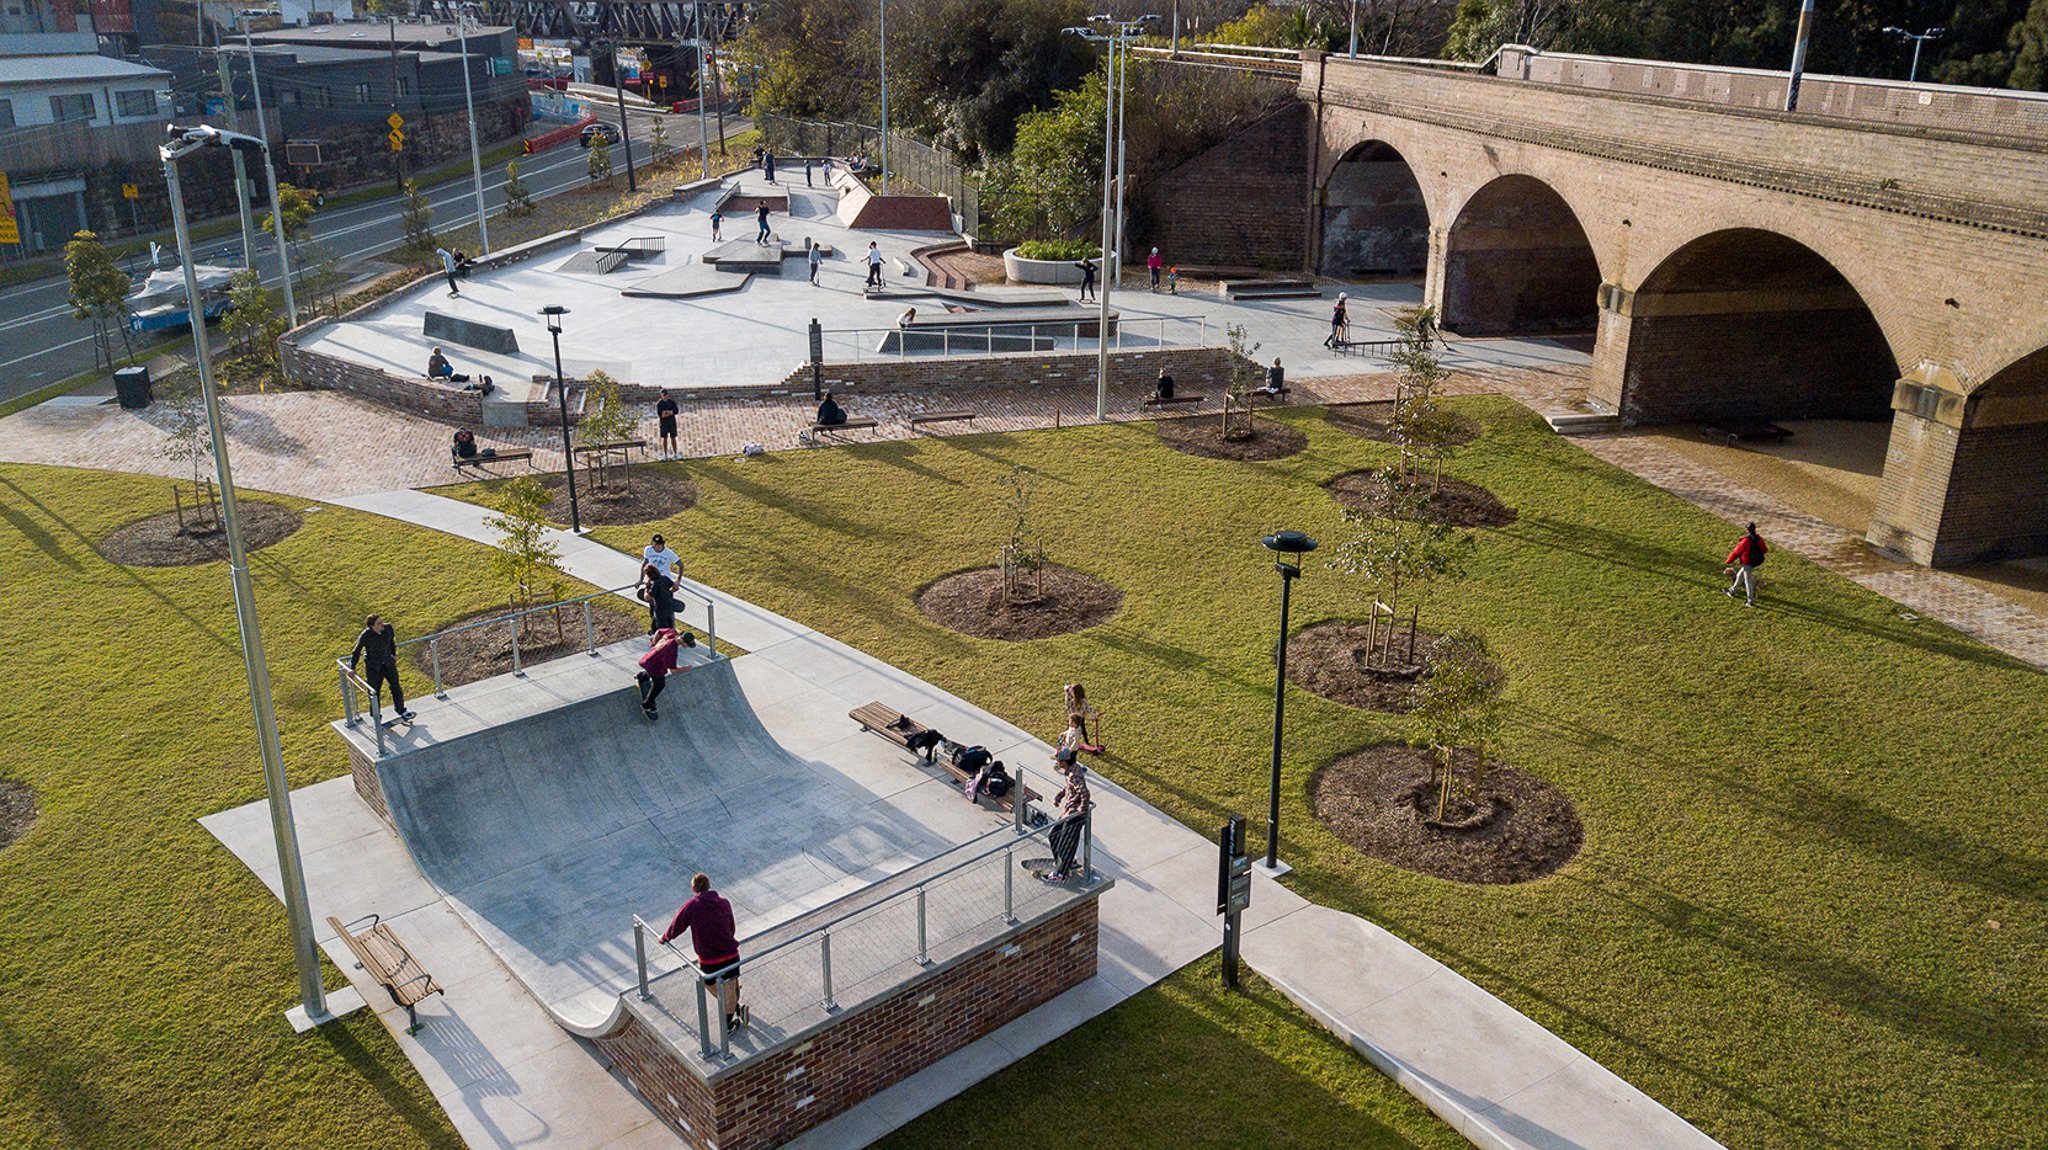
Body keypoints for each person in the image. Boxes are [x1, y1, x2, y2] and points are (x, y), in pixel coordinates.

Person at [658, 873, 747, 1029]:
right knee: (729, 987)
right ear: (709, 885)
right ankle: (734, 1007)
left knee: (709, 983)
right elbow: (731, 927)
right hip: (731, 954)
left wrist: (665, 937)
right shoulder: (724, 903)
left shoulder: (691, 906)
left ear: (694, 888)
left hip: (709, 959)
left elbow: (677, 925)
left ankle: (727, 1025)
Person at [350, 614, 416, 722]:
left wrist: (394, 654)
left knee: (396, 687)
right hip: (374, 667)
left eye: (382, 622)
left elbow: (391, 642)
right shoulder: (365, 636)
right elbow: (356, 652)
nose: (382, 625)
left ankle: (401, 710)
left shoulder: (388, 628)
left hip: (388, 664)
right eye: (379, 623)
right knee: (374, 692)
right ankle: (376, 716)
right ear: (372, 626)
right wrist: (352, 667)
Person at [1045, 758, 1094, 882]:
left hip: (1075, 815)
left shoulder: (1074, 774)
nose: (1057, 763)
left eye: (1059, 761)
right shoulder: (1069, 772)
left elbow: (1085, 793)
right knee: (1053, 834)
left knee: (1066, 844)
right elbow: (1069, 787)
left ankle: (1061, 874)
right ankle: (1066, 862)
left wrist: (1081, 810)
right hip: (1069, 812)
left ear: (1065, 761)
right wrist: (1059, 796)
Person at [635, 625, 697, 719]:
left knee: (653, 673)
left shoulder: (672, 632)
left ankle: (642, 676)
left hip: (650, 657)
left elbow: (659, 631)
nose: (686, 647)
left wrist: (654, 642)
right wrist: (685, 668)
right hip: (655, 666)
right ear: (683, 641)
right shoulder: (672, 651)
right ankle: (646, 705)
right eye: (687, 645)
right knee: (660, 684)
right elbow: (673, 670)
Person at [1724, 522, 1768, 607]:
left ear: (1747, 530)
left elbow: (1736, 552)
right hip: (1755, 562)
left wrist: (1728, 561)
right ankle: (1732, 590)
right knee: (1740, 574)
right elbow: (1765, 549)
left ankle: (1750, 600)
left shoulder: (1746, 541)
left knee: (1747, 581)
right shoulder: (1759, 539)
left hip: (1747, 562)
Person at [638, 562, 678, 634]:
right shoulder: (665, 578)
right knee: (669, 625)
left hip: (660, 610)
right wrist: (669, 592)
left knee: (662, 629)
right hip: (669, 606)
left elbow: (647, 597)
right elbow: (675, 587)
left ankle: (661, 639)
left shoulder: (655, 584)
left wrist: (646, 588)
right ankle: (656, 633)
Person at [1064, 683, 1104, 753]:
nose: (1070, 692)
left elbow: (1089, 708)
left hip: (1080, 717)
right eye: (1070, 691)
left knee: (1083, 729)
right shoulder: (1069, 695)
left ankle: (1087, 743)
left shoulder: (1082, 700)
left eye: (1072, 691)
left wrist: (1092, 716)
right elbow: (1068, 706)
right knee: (1070, 729)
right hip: (1072, 717)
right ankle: (1068, 742)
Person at [655, 389, 680, 460]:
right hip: (664, 424)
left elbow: (676, 411)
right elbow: (661, 415)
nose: (665, 396)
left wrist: (667, 412)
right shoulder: (659, 404)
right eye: (663, 395)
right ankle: (665, 454)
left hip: (672, 423)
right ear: (661, 396)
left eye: (666, 395)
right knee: (664, 438)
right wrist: (670, 412)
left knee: (673, 438)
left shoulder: (672, 402)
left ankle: (676, 453)